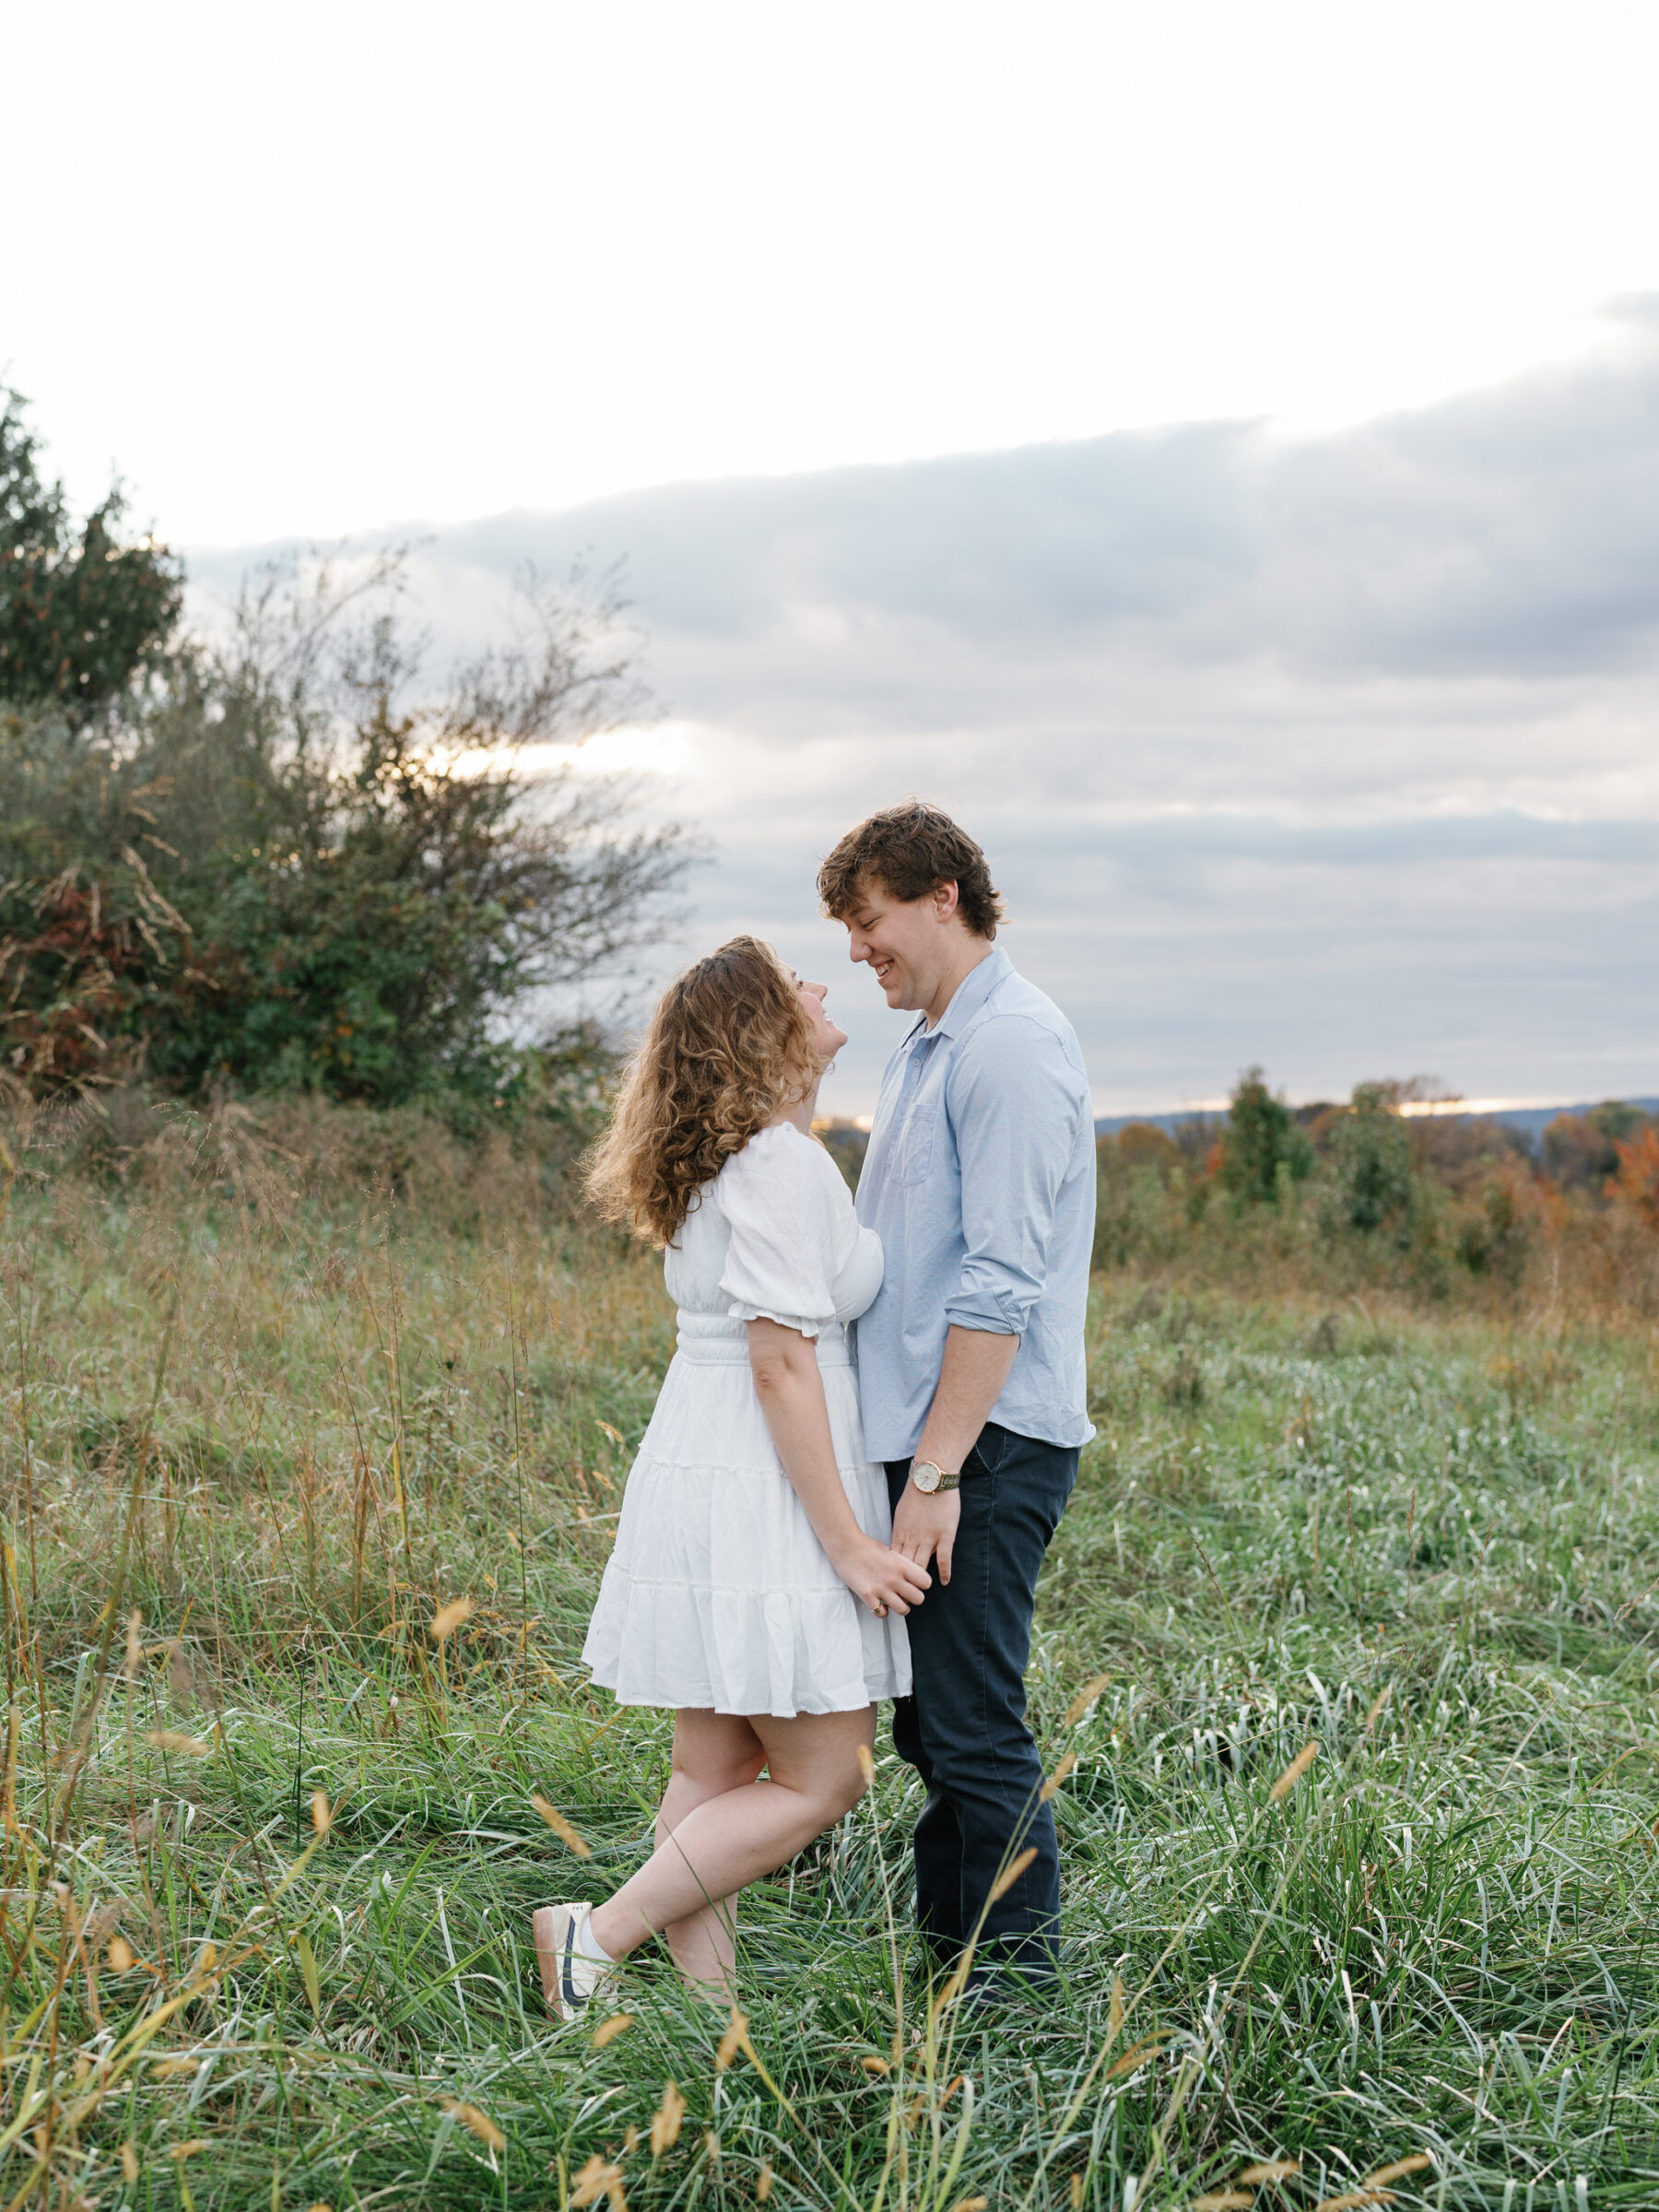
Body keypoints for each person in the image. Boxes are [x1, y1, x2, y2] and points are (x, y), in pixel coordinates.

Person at [534, 935, 929, 2019]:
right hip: (769, 1485)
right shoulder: (781, 1164)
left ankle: (709, 2030)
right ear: (766, 1030)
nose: (820, 983)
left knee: (711, 1770)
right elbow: (781, 1362)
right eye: (795, 982)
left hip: (707, 1466)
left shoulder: (736, 1161)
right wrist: (849, 1540)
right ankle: (597, 1933)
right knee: (829, 1778)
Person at [818, 801, 1095, 1992]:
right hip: (934, 1442)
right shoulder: (928, 1046)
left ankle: (1016, 2006)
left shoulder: (1012, 1046)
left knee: (974, 1724)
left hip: (983, 1446)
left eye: (868, 920)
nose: (853, 949)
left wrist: (933, 1474)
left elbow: (1001, 1282)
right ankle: (952, 1969)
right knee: (935, 1726)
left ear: (941, 897)